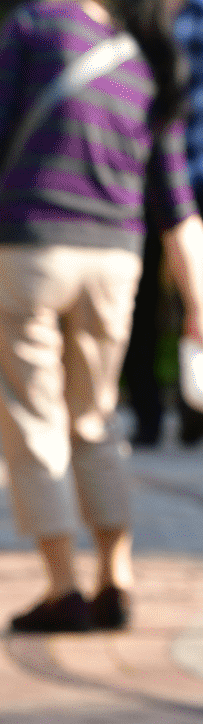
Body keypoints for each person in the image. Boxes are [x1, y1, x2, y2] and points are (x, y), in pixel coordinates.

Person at [0, 0, 203, 633]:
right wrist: (198, 302)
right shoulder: (148, 55)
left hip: (26, 248)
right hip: (113, 261)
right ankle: (116, 575)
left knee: (35, 418)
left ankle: (63, 586)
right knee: (95, 415)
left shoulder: (36, 26)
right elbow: (175, 199)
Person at [122, 0, 203, 447]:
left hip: (197, 174)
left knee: (200, 298)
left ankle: (197, 407)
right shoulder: (132, 18)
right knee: (138, 301)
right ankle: (146, 413)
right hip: (141, 180)